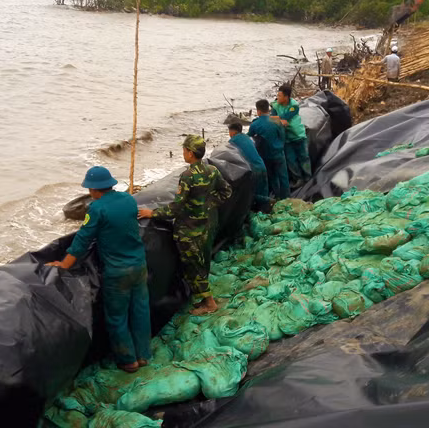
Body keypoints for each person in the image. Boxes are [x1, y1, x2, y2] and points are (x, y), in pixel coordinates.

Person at [46, 166, 150, 373]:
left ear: (93, 189)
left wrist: (63, 265)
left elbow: (82, 240)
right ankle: (143, 355)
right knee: (140, 311)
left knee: (117, 317)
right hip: (139, 265)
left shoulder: (96, 209)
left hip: (117, 272)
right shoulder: (128, 199)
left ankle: (128, 360)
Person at [138, 135, 231, 315]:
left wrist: (152, 213)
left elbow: (175, 208)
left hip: (188, 230)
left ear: (190, 153)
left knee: (193, 266)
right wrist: (208, 205)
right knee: (201, 262)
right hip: (205, 226)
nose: (183, 153)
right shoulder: (212, 170)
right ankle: (203, 298)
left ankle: (209, 303)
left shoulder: (188, 176)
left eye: (184, 150)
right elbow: (226, 191)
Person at [271, 85, 311, 188]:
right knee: (290, 160)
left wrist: (277, 119)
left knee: (304, 157)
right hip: (287, 138)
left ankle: (308, 177)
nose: (277, 98)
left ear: (286, 97)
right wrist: (278, 120)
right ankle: (298, 179)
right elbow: (271, 118)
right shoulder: (275, 106)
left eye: (280, 96)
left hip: (298, 135)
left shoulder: (294, 105)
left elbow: (286, 117)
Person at [248, 99, 290, 199]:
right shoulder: (276, 121)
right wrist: (280, 146)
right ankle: (286, 198)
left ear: (258, 111)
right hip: (279, 153)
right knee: (283, 177)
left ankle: (276, 197)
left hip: (265, 155)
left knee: (272, 177)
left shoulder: (255, 124)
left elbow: (248, 138)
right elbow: (282, 136)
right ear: (268, 109)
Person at [228, 122, 270, 212]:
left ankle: (268, 202)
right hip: (262, 165)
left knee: (251, 194)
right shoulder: (247, 137)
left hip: (253, 170)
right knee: (263, 192)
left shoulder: (232, 142)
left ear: (232, 132)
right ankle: (267, 210)